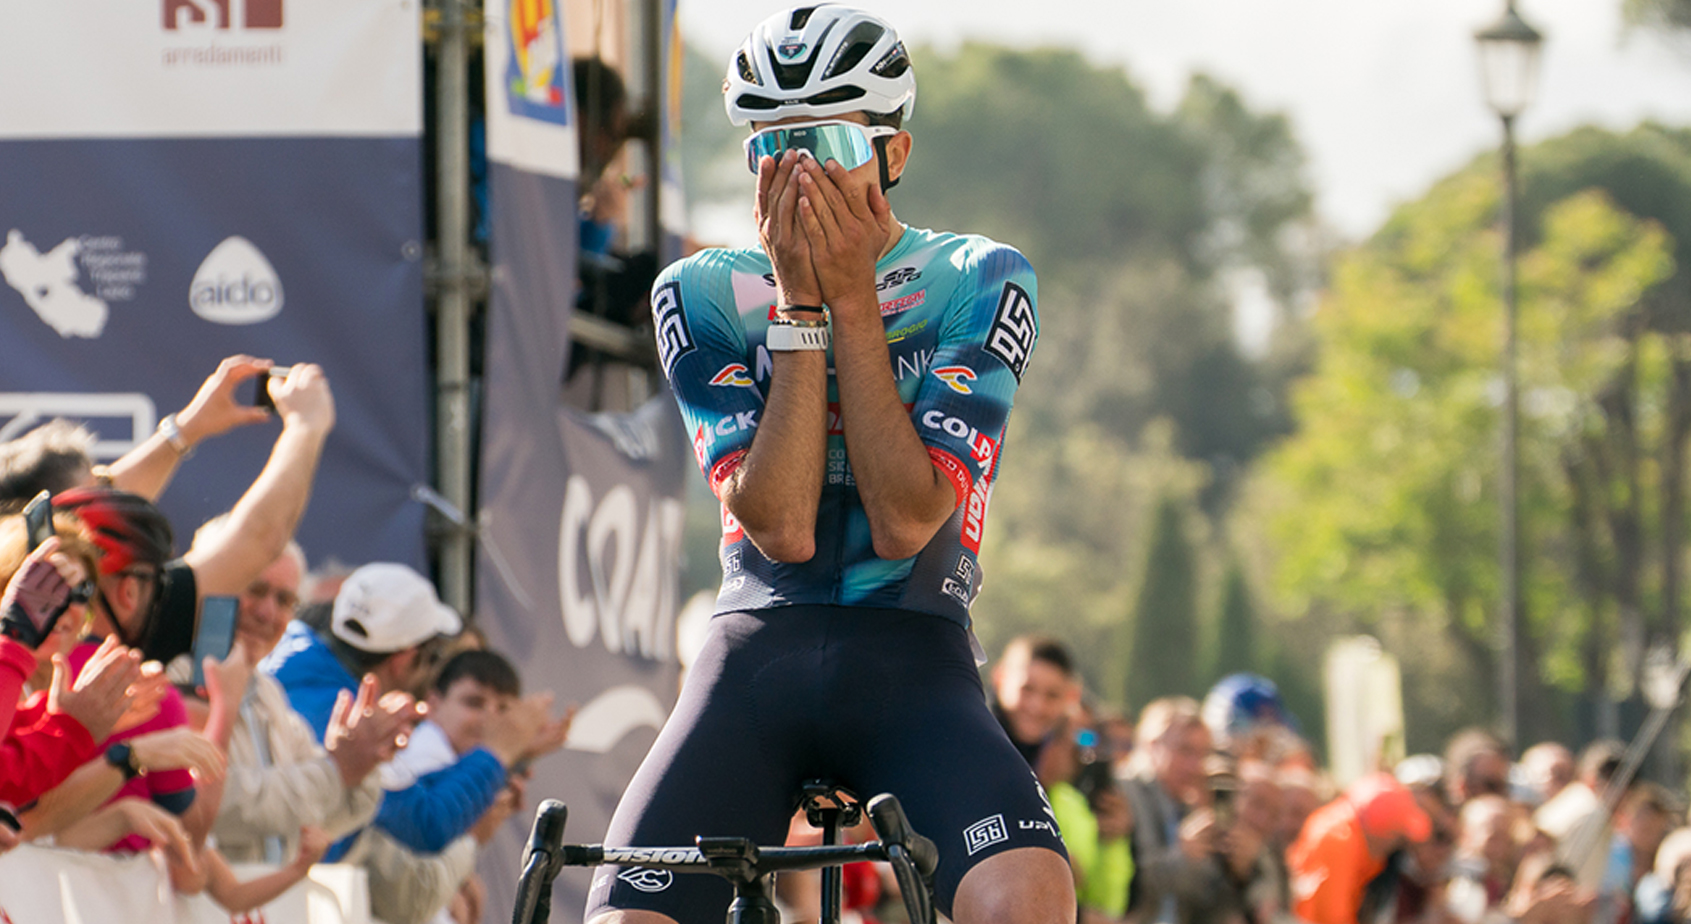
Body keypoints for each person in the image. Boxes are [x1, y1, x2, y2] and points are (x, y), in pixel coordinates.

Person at [587, 6, 1070, 923]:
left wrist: (850, 302)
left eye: (831, 139)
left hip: (913, 654)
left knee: (1029, 899)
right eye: (775, 142)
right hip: (754, 655)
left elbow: (905, 520)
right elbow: (778, 525)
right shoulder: (698, 290)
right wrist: (799, 306)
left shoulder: (978, 274)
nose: (800, 170)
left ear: (895, 153)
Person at [264, 562, 558, 859]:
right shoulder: (349, 715)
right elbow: (424, 824)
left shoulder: (294, 661)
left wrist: (503, 762)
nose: (433, 668)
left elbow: (412, 796)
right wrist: (498, 751)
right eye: (431, 655)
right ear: (404, 659)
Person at [175, 530, 416, 865]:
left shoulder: (268, 693)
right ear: (213, 583)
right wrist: (337, 771)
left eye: (285, 601)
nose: (266, 613)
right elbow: (212, 804)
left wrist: (364, 759)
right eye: (255, 590)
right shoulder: (171, 677)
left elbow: (319, 817)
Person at [1121, 696, 1224, 924]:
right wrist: (1183, 856)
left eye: (1203, 754)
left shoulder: (1190, 805)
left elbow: (1206, 894)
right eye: (1185, 751)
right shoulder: (1126, 793)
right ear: (1152, 744)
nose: (1195, 765)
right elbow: (1132, 884)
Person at [1288, 772, 1434, 924]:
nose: (1394, 847)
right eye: (1397, 837)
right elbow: (1334, 919)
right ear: (1381, 835)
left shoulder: (1341, 827)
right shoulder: (1339, 840)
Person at [991, 635, 1083, 766]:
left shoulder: (1068, 765)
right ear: (999, 678)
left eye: (1053, 695)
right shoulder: (970, 739)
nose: (1037, 707)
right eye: (1027, 689)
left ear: (1071, 697)